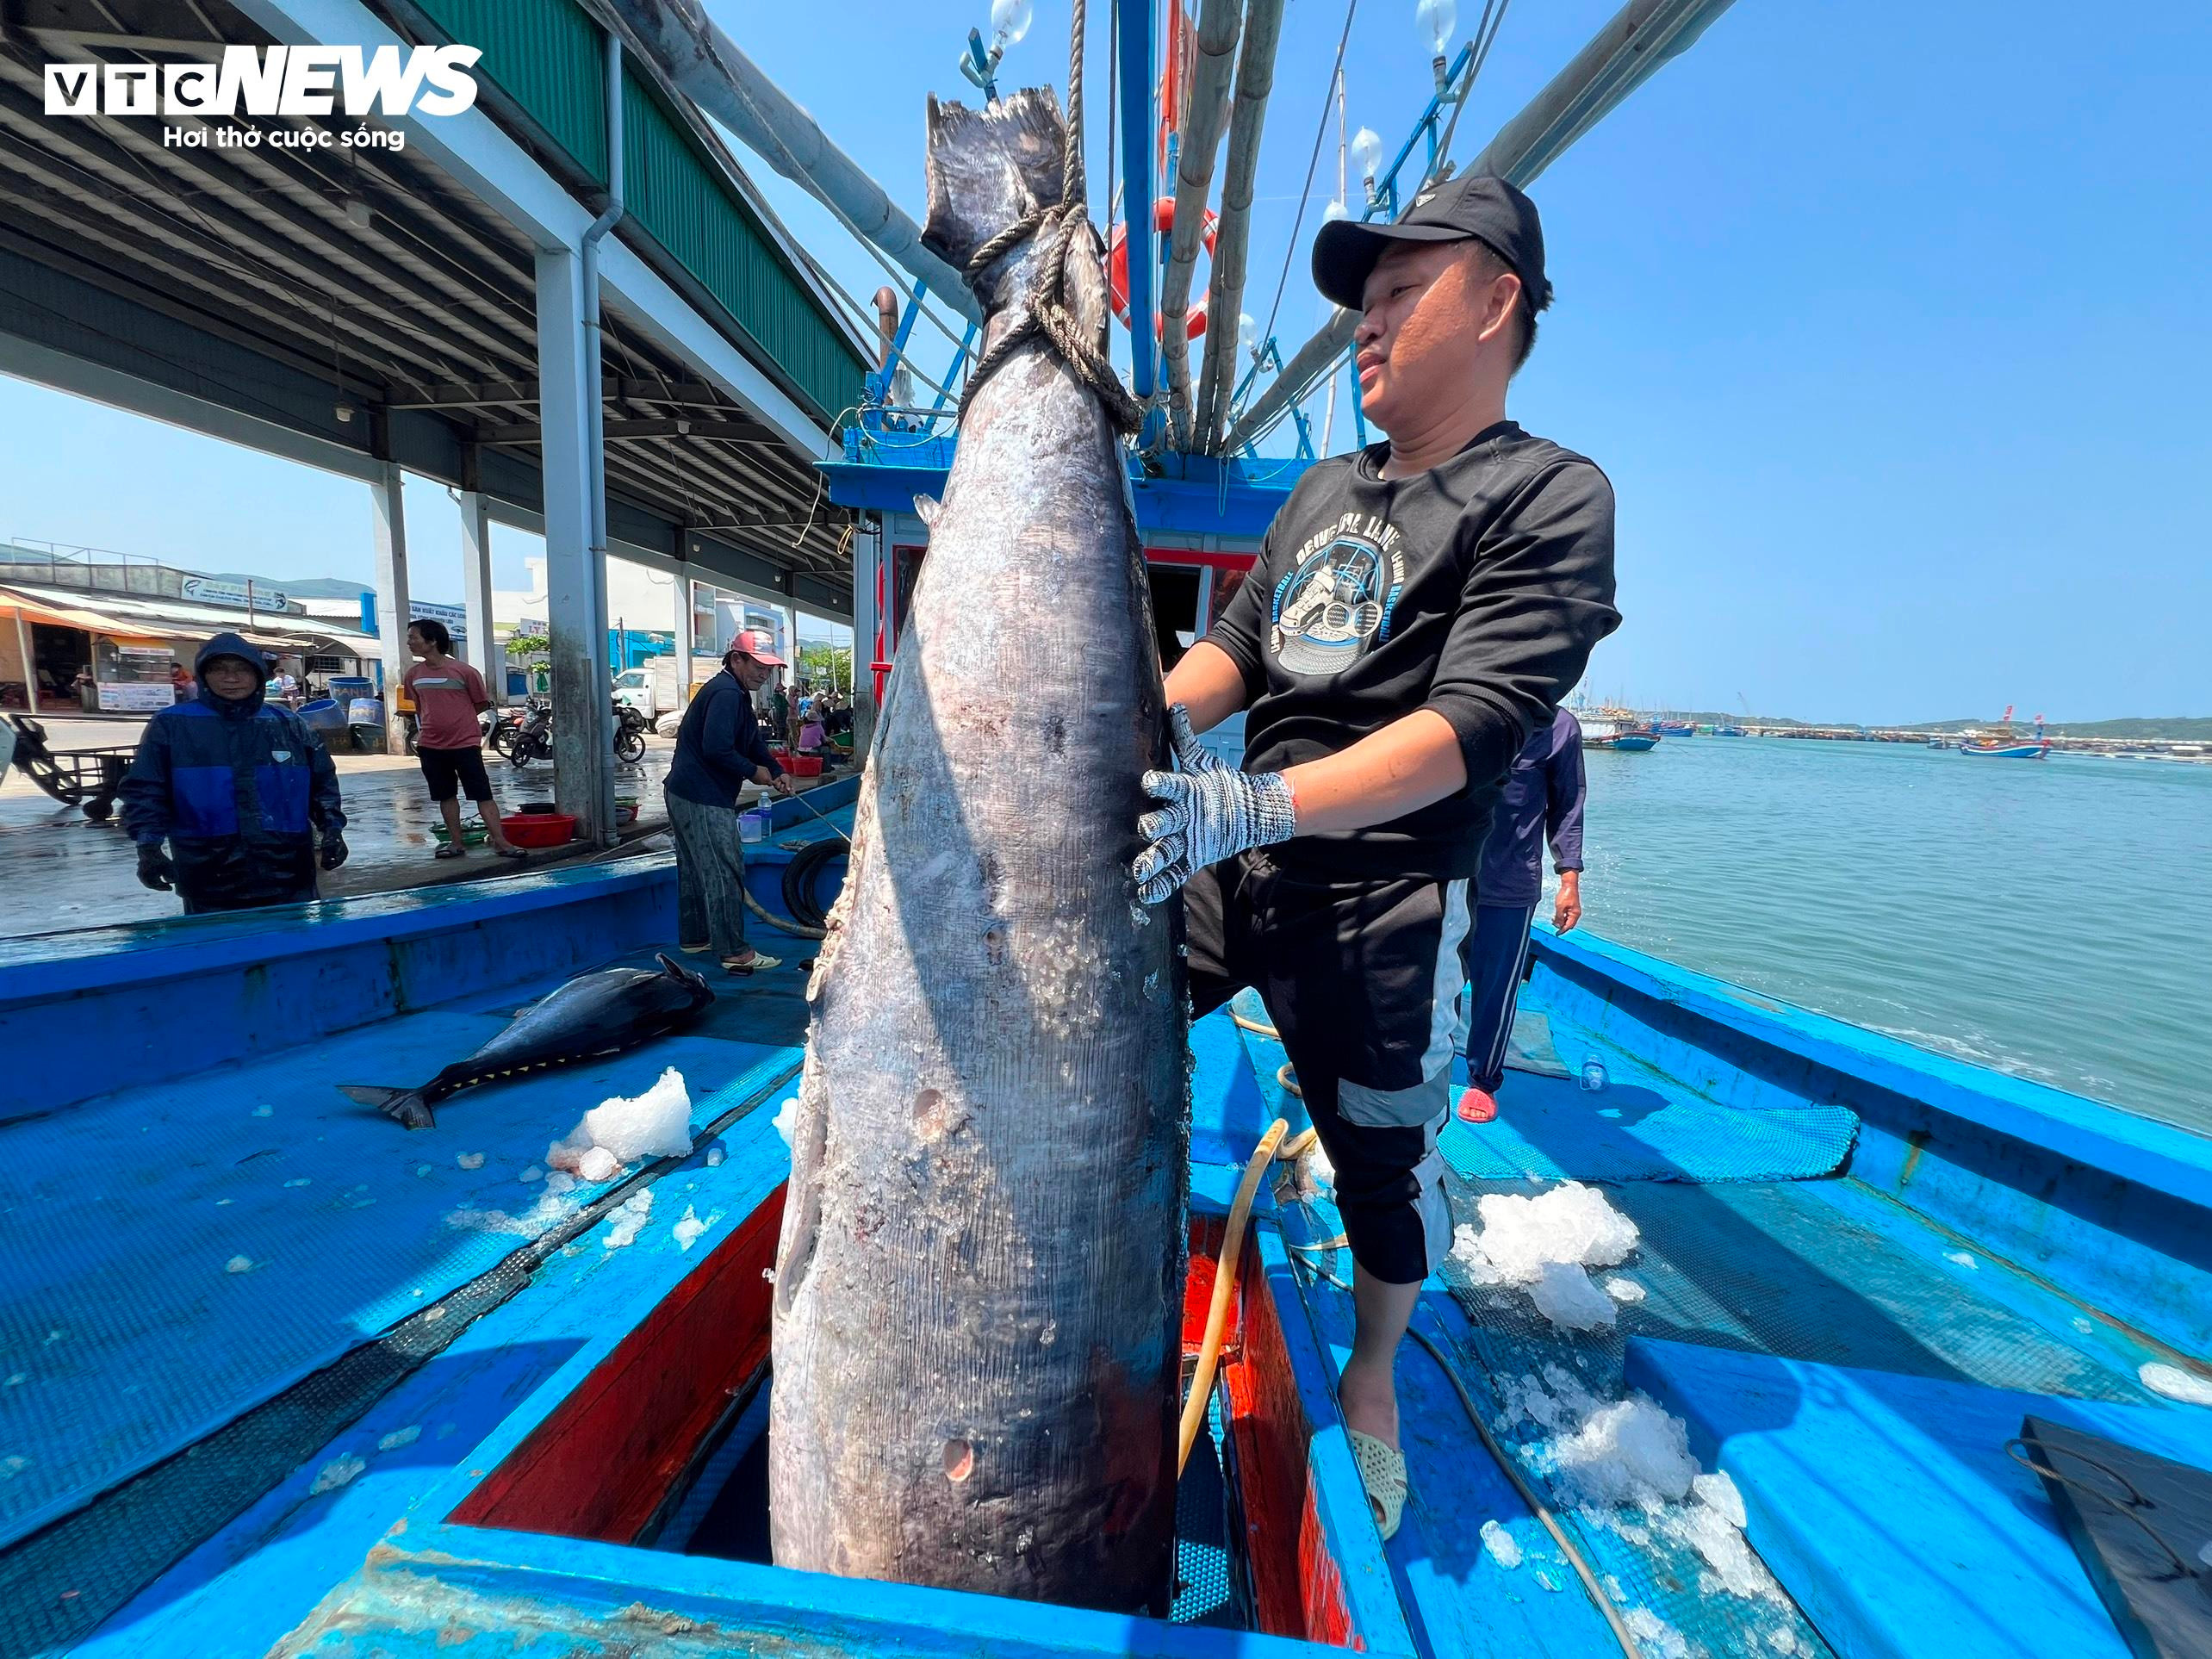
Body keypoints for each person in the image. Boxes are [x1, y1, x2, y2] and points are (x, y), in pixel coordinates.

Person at [1131, 175, 1618, 1539]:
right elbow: (1233, 650)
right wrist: (1128, 718)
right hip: (1238, 854)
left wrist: (1268, 806)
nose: (1368, 319)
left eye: (1404, 289)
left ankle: (1376, 1374)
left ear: (1499, 300)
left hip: (1391, 893)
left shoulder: (1548, 494)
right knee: (1088, 1008)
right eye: (1362, 296)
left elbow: (1471, 728)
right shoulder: (1320, 492)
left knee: (1377, 1165)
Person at [121, 631, 347, 914]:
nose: (231, 678)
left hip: (286, 867)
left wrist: (332, 829)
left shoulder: (287, 724)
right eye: (219, 669)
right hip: (208, 868)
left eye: (241, 669)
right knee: (219, 947)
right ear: (204, 675)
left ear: (257, 674)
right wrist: (148, 847)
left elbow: (322, 782)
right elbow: (147, 788)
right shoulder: (172, 724)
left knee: (292, 947)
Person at [1456, 706, 1587, 1125]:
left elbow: (1568, 807)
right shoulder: (1465, 708)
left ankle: (1482, 1079)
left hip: (1509, 881)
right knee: (1433, 977)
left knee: (1496, 988)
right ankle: (1427, 1066)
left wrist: (1569, 880)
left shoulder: (1560, 728)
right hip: (1448, 872)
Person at [665, 630, 792, 974]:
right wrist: (755, 772)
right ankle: (735, 951)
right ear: (736, 659)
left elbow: (751, 742)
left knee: (694, 869)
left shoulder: (734, 692)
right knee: (724, 869)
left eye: (769, 669)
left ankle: (696, 939)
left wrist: (776, 769)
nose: (764, 674)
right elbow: (717, 748)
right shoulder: (726, 694)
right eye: (758, 666)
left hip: (684, 792)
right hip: (702, 795)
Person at [401, 618, 525, 862]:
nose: (409, 642)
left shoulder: (465, 672)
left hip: (465, 743)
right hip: (430, 745)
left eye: (413, 637)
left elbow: (479, 702)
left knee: (482, 793)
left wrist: (457, 721)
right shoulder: (413, 675)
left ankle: (501, 842)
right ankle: (456, 843)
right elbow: (418, 706)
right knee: (445, 795)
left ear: (432, 640)